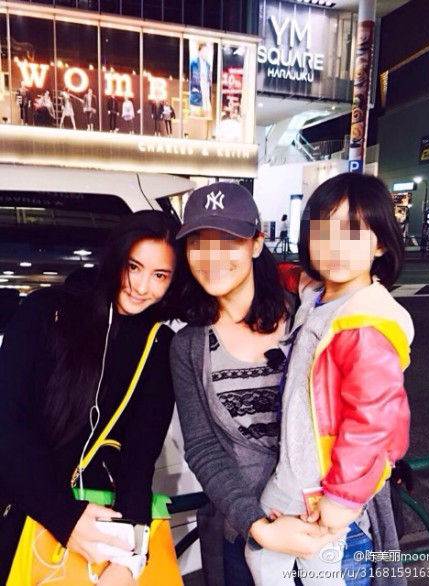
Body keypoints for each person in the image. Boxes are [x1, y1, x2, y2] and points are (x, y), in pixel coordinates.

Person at [245, 172, 413, 586]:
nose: (335, 247)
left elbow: (373, 421)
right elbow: (297, 278)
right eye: (324, 232)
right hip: (295, 485)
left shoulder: (366, 322)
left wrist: (342, 499)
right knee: (266, 561)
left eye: (353, 233)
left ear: (380, 244)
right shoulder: (320, 294)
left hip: (328, 501)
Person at [170, 182, 339, 586]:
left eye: (228, 241)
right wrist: (258, 526)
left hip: (332, 524)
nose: (211, 258)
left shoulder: (308, 316)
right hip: (247, 534)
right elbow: (204, 448)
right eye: (198, 243)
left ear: (257, 243)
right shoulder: (188, 346)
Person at [0, 211, 182, 585]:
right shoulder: (46, 311)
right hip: (18, 511)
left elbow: (138, 461)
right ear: (116, 258)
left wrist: (129, 561)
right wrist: (65, 517)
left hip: (94, 531)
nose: (141, 286)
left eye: (160, 275)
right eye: (134, 267)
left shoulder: (158, 345)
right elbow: (8, 423)